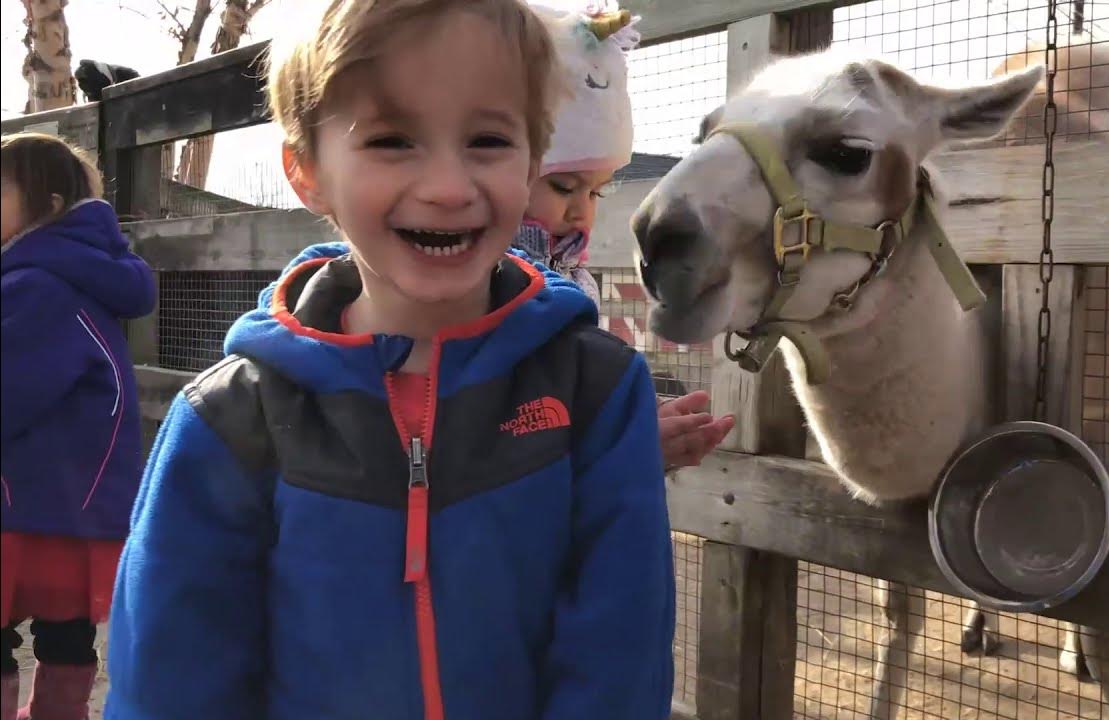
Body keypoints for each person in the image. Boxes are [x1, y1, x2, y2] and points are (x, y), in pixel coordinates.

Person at [105, 2, 674, 719]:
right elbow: (172, 676)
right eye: (392, 140)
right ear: (307, 171)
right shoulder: (233, 419)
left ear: (535, 157)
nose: (446, 185)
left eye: (488, 140)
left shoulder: (596, 391)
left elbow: (619, 660)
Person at [514, 5, 733, 470]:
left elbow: (573, 398)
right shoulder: (494, 284)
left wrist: (632, 420)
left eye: (597, 190)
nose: (582, 209)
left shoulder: (568, 274)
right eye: (563, 186)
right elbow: (516, 431)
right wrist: (628, 445)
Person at [1, 132, 156, 720]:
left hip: (24, 501)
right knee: (64, 634)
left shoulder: (34, 287)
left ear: (50, 205)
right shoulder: (69, 279)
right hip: (70, 501)